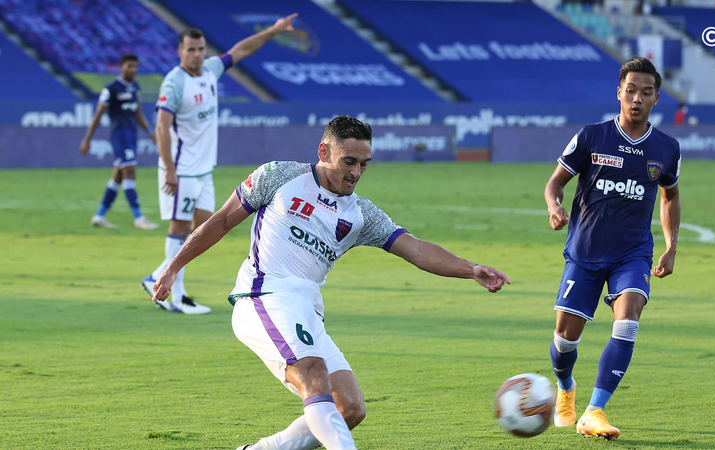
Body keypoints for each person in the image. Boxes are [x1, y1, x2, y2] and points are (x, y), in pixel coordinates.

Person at [151, 116, 511, 450]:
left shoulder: (361, 214)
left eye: (364, 164)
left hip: (307, 311)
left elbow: (416, 249)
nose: (356, 172)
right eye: (349, 161)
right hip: (264, 297)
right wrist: (172, 268)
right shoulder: (278, 176)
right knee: (313, 374)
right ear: (324, 152)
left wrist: (471, 269)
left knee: (348, 407)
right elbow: (221, 221)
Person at [543, 57, 681, 440]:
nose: (637, 98)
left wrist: (671, 246)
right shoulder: (591, 137)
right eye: (631, 90)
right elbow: (555, 183)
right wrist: (554, 206)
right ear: (619, 92)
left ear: (656, 98)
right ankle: (566, 386)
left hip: (632, 254)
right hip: (584, 252)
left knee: (628, 320)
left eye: (646, 92)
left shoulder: (667, 148)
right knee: (564, 340)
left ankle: (594, 411)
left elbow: (670, 196)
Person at [141, 15, 298, 314]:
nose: (197, 55)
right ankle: (177, 297)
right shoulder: (174, 82)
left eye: (200, 49)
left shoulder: (211, 69)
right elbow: (161, 126)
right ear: (180, 51)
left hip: (203, 169)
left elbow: (241, 50)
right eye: (191, 50)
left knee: (201, 229)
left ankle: (156, 277)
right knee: (180, 228)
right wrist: (170, 170)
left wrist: (273, 30)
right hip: (182, 169)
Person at [80, 54, 160, 230]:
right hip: (120, 136)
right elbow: (97, 116)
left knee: (118, 176)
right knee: (129, 172)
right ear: (121, 67)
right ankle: (139, 218)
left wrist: (148, 130)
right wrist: (87, 140)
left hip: (132, 136)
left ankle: (99, 216)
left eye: (135, 67)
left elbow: (138, 112)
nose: (133, 70)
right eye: (130, 66)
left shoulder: (135, 87)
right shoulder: (112, 89)